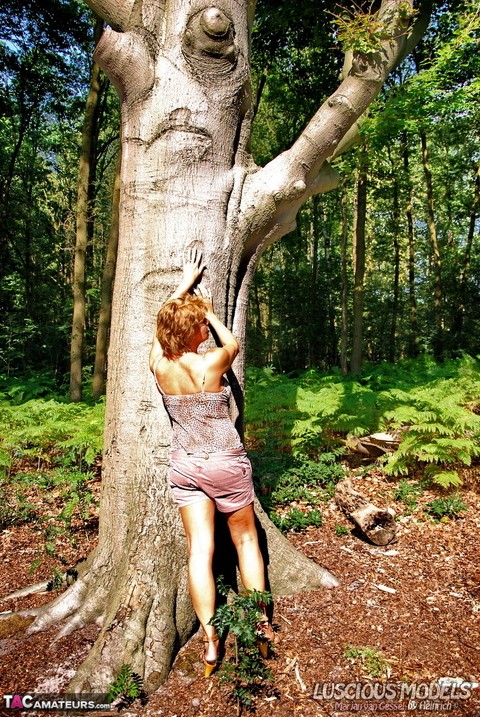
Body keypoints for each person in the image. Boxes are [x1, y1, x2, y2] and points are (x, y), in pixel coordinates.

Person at [149, 249, 274, 677]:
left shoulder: (159, 364)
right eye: (199, 325)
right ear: (192, 330)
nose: (205, 328)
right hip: (224, 462)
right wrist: (212, 311)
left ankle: (208, 638)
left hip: (185, 465)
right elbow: (232, 342)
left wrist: (184, 286)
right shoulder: (211, 362)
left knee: (199, 550)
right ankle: (258, 622)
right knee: (246, 542)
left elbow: (160, 323)